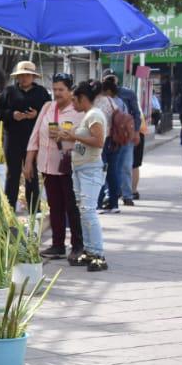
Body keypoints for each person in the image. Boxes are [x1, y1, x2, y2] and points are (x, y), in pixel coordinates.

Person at [24, 74, 83, 262]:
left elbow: (86, 141)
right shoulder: (47, 107)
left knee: (71, 207)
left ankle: (78, 245)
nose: (57, 93)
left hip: (68, 166)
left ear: (70, 90)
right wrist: (28, 162)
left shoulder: (79, 111)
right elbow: (34, 135)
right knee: (54, 206)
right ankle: (58, 245)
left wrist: (68, 135)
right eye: (54, 89)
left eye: (61, 90)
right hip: (46, 165)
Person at [64, 81, 110, 272]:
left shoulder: (94, 115)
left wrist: (74, 137)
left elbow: (98, 142)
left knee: (89, 211)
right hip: (81, 169)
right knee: (84, 211)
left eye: (74, 99)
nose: (72, 104)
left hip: (90, 169)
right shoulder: (87, 116)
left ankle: (98, 254)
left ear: (83, 98)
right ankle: (90, 250)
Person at [0, 60, 50, 212]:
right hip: (12, 139)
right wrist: (12, 115)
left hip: (34, 140)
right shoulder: (8, 92)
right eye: (21, 75)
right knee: (13, 174)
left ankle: (34, 210)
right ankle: (8, 209)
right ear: (17, 77)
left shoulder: (42, 93)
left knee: (31, 174)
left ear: (33, 77)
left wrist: (37, 115)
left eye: (27, 75)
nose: (24, 78)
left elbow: (50, 114)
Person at [95, 74, 133, 213]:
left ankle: (98, 203)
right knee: (113, 172)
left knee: (99, 171)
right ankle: (114, 204)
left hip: (102, 141)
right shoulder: (115, 102)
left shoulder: (97, 102)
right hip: (115, 141)